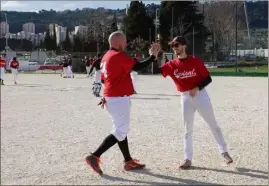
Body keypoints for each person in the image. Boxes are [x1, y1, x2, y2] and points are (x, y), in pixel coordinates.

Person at [85, 31, 161, 175]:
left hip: (112, 98)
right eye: (125, 41)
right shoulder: (118, 56)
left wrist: (108, 94)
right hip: (118, 99)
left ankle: (128, 161)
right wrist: (152, 56)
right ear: (118, 42)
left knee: (120, 130)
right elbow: (138, 67)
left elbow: (103, 79)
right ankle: (95, 155)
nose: (126, 44)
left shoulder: (105, 57)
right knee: (120, 131)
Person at [159, 36, 233, 169]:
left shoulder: (195, 61)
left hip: (200, 95)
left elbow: (208, 78)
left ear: (184, 46)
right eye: (173, 46)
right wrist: (154, 55)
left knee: (213, 124)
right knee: (187, 130)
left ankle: (224, 152)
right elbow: (159, 70)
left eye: (177, 45)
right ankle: (188, 159)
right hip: (185, 97)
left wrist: (197, 87)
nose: (174, 48)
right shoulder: (171, 65)